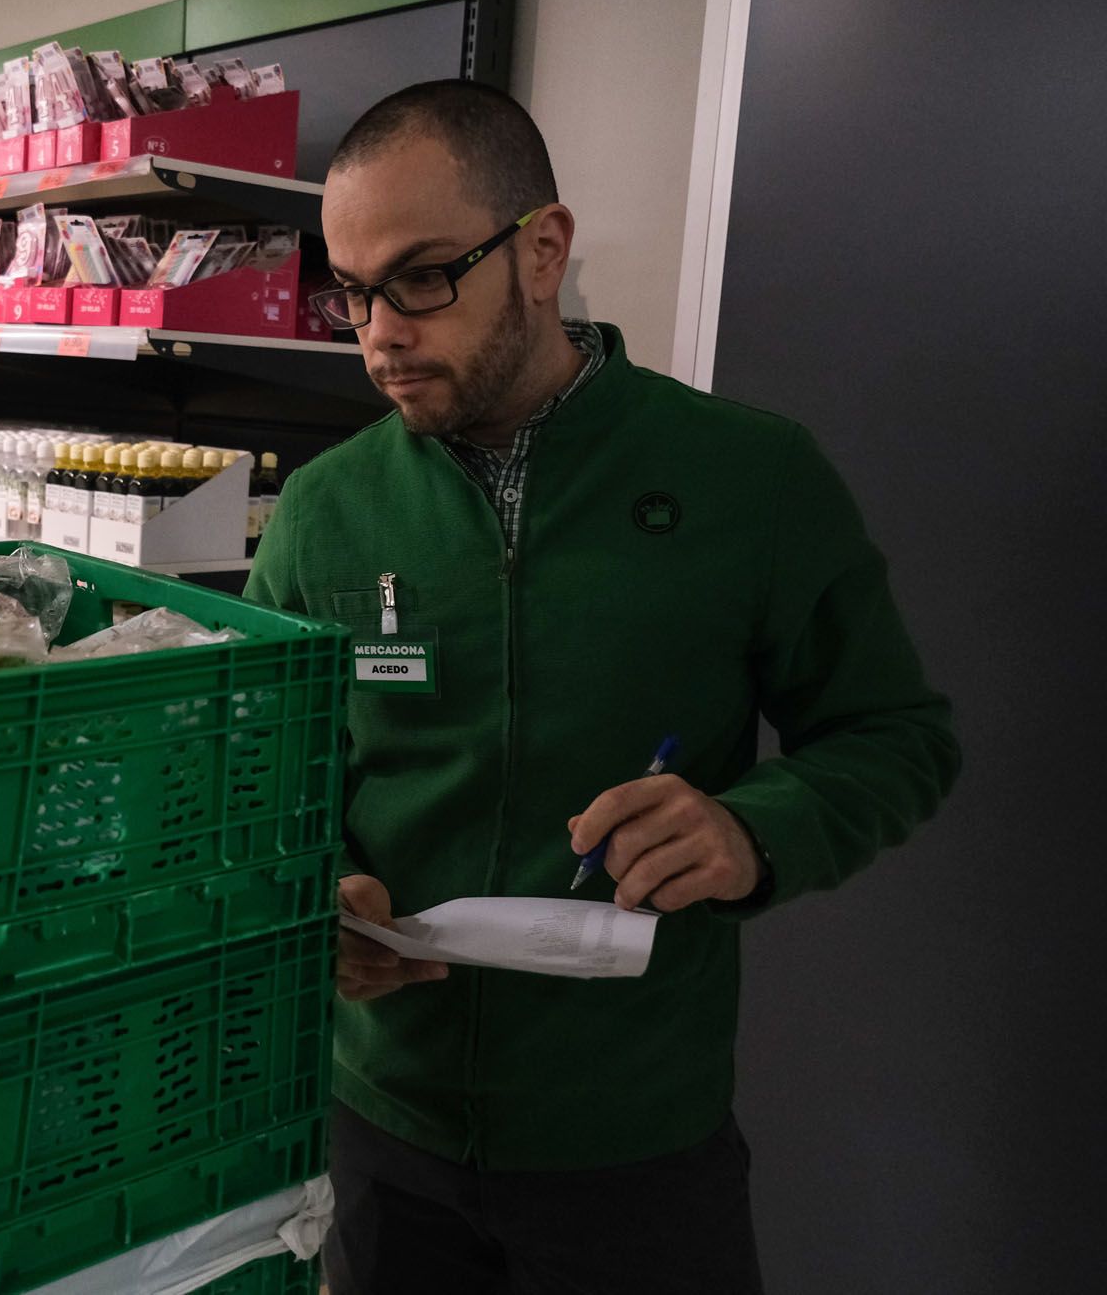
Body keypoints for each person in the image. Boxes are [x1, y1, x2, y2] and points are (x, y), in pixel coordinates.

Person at [243, 80, 959, 1293]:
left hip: (633, 1149)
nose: (377, 333)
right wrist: (312, 900)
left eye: (420, 277)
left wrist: (750, 828)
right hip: (379, 1135)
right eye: (352, 291)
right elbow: (255, 786)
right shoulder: (323, 512)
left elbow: (895, 735)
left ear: (540, 250)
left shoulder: (748, 479)